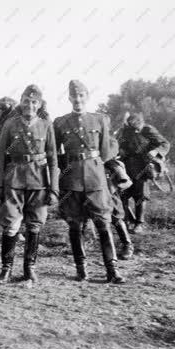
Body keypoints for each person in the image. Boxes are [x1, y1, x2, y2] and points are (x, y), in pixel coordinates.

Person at [53, 80, 125, 283]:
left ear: (87, 97)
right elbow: (55, 152)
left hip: (95, 177)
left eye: (81, 96)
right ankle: (81, 269)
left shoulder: (100, 119)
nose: (78, 100)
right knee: (75, 225)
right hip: (71, 178)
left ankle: (112, 270)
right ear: (69, 98)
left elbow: (105, 151)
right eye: (74, 97)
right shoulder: (60, 122)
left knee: (103, 223)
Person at [0, 85, 59, 284]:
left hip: (39, 180)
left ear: (39, 105)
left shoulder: (46, 125)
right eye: (26, 101)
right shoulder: (10, 124)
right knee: (11, 224)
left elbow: (54, 158)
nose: (29, 105)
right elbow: (0, 157)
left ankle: (30, 268)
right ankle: (6, 269)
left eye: (34, 102)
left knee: (34, 224)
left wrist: (53, 188)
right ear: (20, 102)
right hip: (14, 179)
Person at [116, 113, 170, 234]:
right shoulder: (124, 131)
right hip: (125, 166)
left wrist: (156, 151)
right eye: (131, 125)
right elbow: (118, 143)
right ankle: (128, 220)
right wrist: (120, 149)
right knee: (121, 194)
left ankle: (139, 224)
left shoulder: (148, 130)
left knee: (140, 195)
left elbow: (165, 144)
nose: (134, 129)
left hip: (142, 166)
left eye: (137, 126)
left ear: (141, 123)